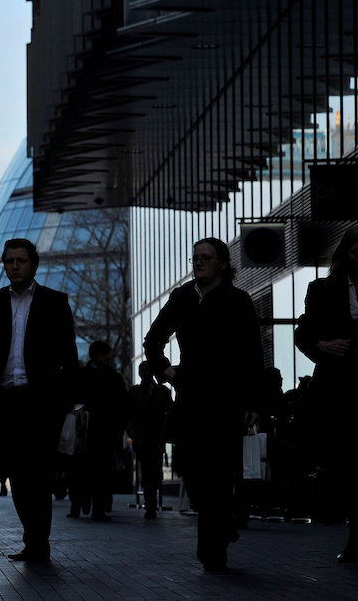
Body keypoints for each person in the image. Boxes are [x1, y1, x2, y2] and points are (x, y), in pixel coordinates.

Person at [143, 237, 263, 572]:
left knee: (220, 474)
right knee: (190, 469)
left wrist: (253, 400)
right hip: (191, 395)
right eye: (195, 257)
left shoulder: (239, 301)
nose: (198, 263)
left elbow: (253, 352)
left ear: (223, 264)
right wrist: (162, 368)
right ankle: (223, 524)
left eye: (206, 258)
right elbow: (154, 337)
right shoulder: (182, 297)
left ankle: (213, 551)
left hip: (226, 399)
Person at [0, 239, 80, 563]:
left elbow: (68, 354)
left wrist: (69, 403)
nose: (15, 266)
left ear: (33, 264)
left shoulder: (54, 301)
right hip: (4, 402)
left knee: (39, 475)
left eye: (21, 260)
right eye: (9, 261)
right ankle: (33, 537)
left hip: (41, 402)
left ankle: (37, 542)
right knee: (15, 473)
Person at [295, 226, 358, 562]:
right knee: (346, 463)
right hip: (340, 389)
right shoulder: (322, 290)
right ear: (345, 255)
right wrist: (322, 345)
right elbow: (304, 333)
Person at [70, 341, 129, 521]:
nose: (107, 358)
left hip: (97, 431)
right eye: (104, 354)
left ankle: (92, 505)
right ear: (98, 355)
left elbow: (122, 404)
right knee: (93, 470)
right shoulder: (106, 376)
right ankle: (89, 504)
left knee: (94, 470)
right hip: (93, 431)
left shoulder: (92, 375)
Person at [128, 361, 173, 519]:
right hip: (142, 439)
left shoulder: (163, 391)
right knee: (148, 472)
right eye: (143, 370)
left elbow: (171, 414)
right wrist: (133, 434)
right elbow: (129, 416)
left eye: (148, 369)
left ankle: (152, 503)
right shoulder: (134, 392)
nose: (145, 372)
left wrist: (166, 435)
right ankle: (151, 505)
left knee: (155, 472)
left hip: (157, 438)